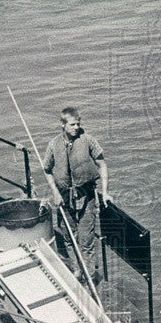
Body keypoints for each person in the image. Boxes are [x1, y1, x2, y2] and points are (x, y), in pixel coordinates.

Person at [43, 107, 111, 284]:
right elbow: (47, 170)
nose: (76, 127)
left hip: (86, 197)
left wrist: (105, 192)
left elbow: (102, 165)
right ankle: (76, 270)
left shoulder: (88, 140)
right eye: (72, 124)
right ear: (62, 124)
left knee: (87, 240)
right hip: (64, 199)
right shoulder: (53, 145)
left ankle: (89, 276)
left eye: (78, 124)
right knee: (68, 237)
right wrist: (55, 193)